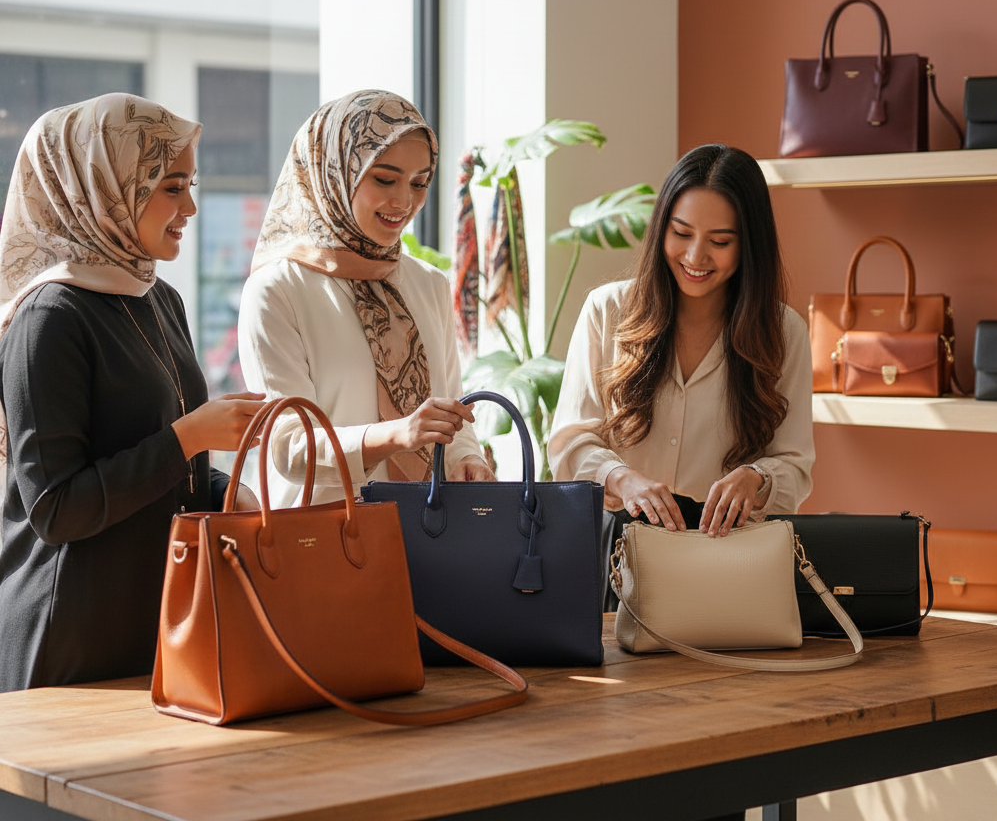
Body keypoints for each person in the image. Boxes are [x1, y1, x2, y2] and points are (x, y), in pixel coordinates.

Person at [0, 93, 266, 692]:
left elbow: (161, 465)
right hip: (67, 640)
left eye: (190, 184)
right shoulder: (50, 316)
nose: (190, 205)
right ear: (104, 187)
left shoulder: (158, 299)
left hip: (157, 623)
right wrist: (192, 436)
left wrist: (231, 491)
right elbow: (54, 508)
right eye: (172, 186)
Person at [549, 142, 813, 566]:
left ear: (749, 244)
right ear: (661, 229)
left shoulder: (784, 332)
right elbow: (570, 442)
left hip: (729, 562)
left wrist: (756, 478)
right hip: (614, 558)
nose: (695, 256)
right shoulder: (607, 311)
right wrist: (621, 478)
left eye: (720, 241)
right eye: (682, 233)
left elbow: (795, 466)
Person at [237, 89, 494, 509]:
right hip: (324, 545)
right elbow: (287, 448)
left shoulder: (427, 284)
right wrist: (396, 435)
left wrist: (468, 459)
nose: (404, 202)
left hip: (428, 536)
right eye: (384, 179)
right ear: (336, 173)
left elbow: (451, 411)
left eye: (419, 183)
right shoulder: (277, 291)